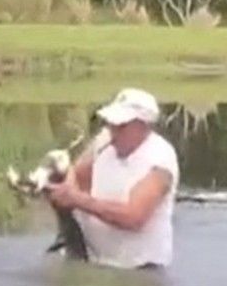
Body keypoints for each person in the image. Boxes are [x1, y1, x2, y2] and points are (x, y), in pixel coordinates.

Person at [45, 88, 179, 269]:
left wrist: (78, 200)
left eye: (121, 126)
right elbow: (77, 174)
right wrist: (64, 193)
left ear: (143, 126)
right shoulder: (104, 141)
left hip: (139, 272)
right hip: (92, 261)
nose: (113, 131)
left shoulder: (160, 161)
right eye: (111, 124)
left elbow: (134, 217)